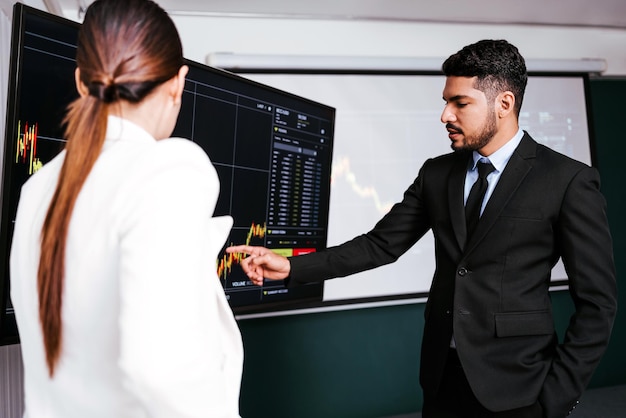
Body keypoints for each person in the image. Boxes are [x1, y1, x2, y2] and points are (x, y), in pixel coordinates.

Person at [227, 39, 617, 418]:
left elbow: (598, 304)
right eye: (446, 102)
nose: (445, 115)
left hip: (521, 388)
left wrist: (555, 400)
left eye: (460, 103)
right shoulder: (436, 173)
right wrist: (293, 267)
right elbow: (380, 245)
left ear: (504, 103)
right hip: (441, 379)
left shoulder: (567, 180)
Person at [10, 0, 243, 416]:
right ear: (178, 83)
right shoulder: (170, 168)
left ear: (82, 82)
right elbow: (161, 370)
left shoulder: (35, 189)